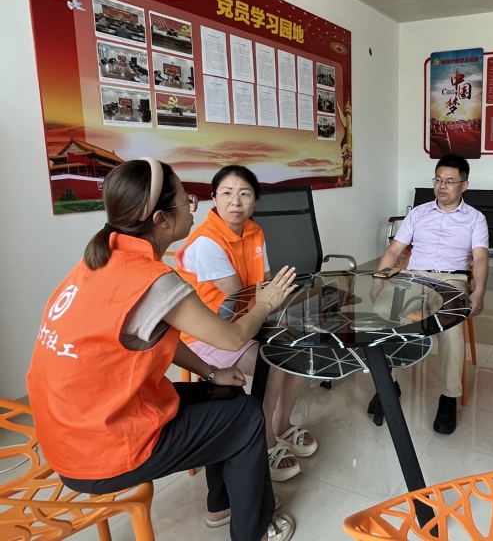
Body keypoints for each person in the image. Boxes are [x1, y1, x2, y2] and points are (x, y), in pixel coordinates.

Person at [26, 158, 297, 541]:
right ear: (161, 220)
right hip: (100, 448)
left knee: (225, 394)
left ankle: (221, 504)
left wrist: (212, 373)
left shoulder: (100, 260)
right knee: (248, 416)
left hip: (70, 433)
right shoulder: (153, 280)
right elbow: (234, 338)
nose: (193, 207)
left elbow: (156, 336)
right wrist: (267, 303)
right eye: (187, 200)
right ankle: (254, 530)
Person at [175, 165, 317, 483]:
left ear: (255, 200)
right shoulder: (207, 242)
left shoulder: (254, 231)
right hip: (209, 333)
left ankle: (282, 423)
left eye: (244, 194)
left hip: (249, 321)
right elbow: (239, 300)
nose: (235, 202)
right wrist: (273, 306)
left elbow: (263, 285)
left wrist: (282, 311)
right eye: (226, 193)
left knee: (301, 348)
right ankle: (265, 439)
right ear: (214, 198)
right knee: (278, 359)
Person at [370, 154, 489, 434]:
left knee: (451, 327)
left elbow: (481, 258)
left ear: (464, 185)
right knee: (384, 314)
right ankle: (389, 384)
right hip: (414, 277)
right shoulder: (418, 213)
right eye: (438, 179)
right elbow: (394, 250)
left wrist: (480, 291)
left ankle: (449, 396)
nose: (442, 186)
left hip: (452, 279)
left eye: (449, 181)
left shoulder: (475, 219)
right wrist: (378, 282)